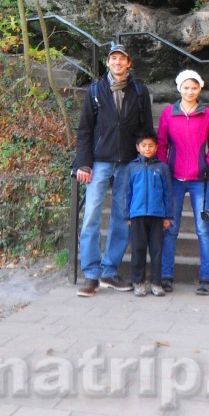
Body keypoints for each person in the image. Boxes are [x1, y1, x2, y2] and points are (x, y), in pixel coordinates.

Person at [73, 42, 154, 297]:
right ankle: (91, 274)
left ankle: (109, 271)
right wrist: (82, 163)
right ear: (107, 62)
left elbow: (146, 128)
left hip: (128, 161)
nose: (117, 63)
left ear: (129, 63)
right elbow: (85, 129)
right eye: (113, 59)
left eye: (122, 59)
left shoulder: (139, 91)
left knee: (122, 216)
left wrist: (145, 160)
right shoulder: (96, 90)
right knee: (91, 217)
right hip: (99, 160)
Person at [157, 69, 209, 295]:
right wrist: (163, 169)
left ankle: (206, 278)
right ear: (179, 88)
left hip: (199, 181)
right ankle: (166, 276)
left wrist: (207, 164)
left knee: (203, 230)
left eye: (194, 87)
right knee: (170, 229)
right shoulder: (168, 114)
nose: (190, 91)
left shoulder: (208, 115)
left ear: (200, 89)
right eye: (186, 87)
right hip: (173, 179)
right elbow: (161, 144)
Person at [125, 129, 172, 296]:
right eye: (143, 145)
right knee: (138, 248)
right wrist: (127, 214)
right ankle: (138, 282)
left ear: (156, 147)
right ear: (138, 147)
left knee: (157, 250)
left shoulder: (162, 168)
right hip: (137, 215)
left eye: (151, 145)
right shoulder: (132, 167)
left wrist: (168, 215)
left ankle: (156, 283)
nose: (147, 149)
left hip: (157, 215)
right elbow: (127, 192)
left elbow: (168, 193)